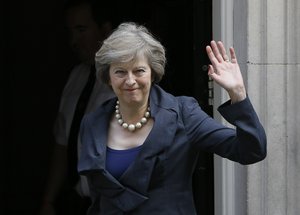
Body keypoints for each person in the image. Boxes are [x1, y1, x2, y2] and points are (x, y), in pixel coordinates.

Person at [78, 22, 267, 214]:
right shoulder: (93, 123)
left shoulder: (184, 114)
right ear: (108, 77)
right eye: (120, 71)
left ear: (153, 73)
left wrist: (238, 94)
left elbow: (251, 150)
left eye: (139, 70)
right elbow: (98, 198)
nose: (130, 80)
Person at [39, 1, 118, 214]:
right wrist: (49, 201)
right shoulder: (77, 77)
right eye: (70, 32)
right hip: (77, 203)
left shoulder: (127, 81)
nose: (74, 41)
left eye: (81, 30)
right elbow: (63, 144)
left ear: (105, 30)